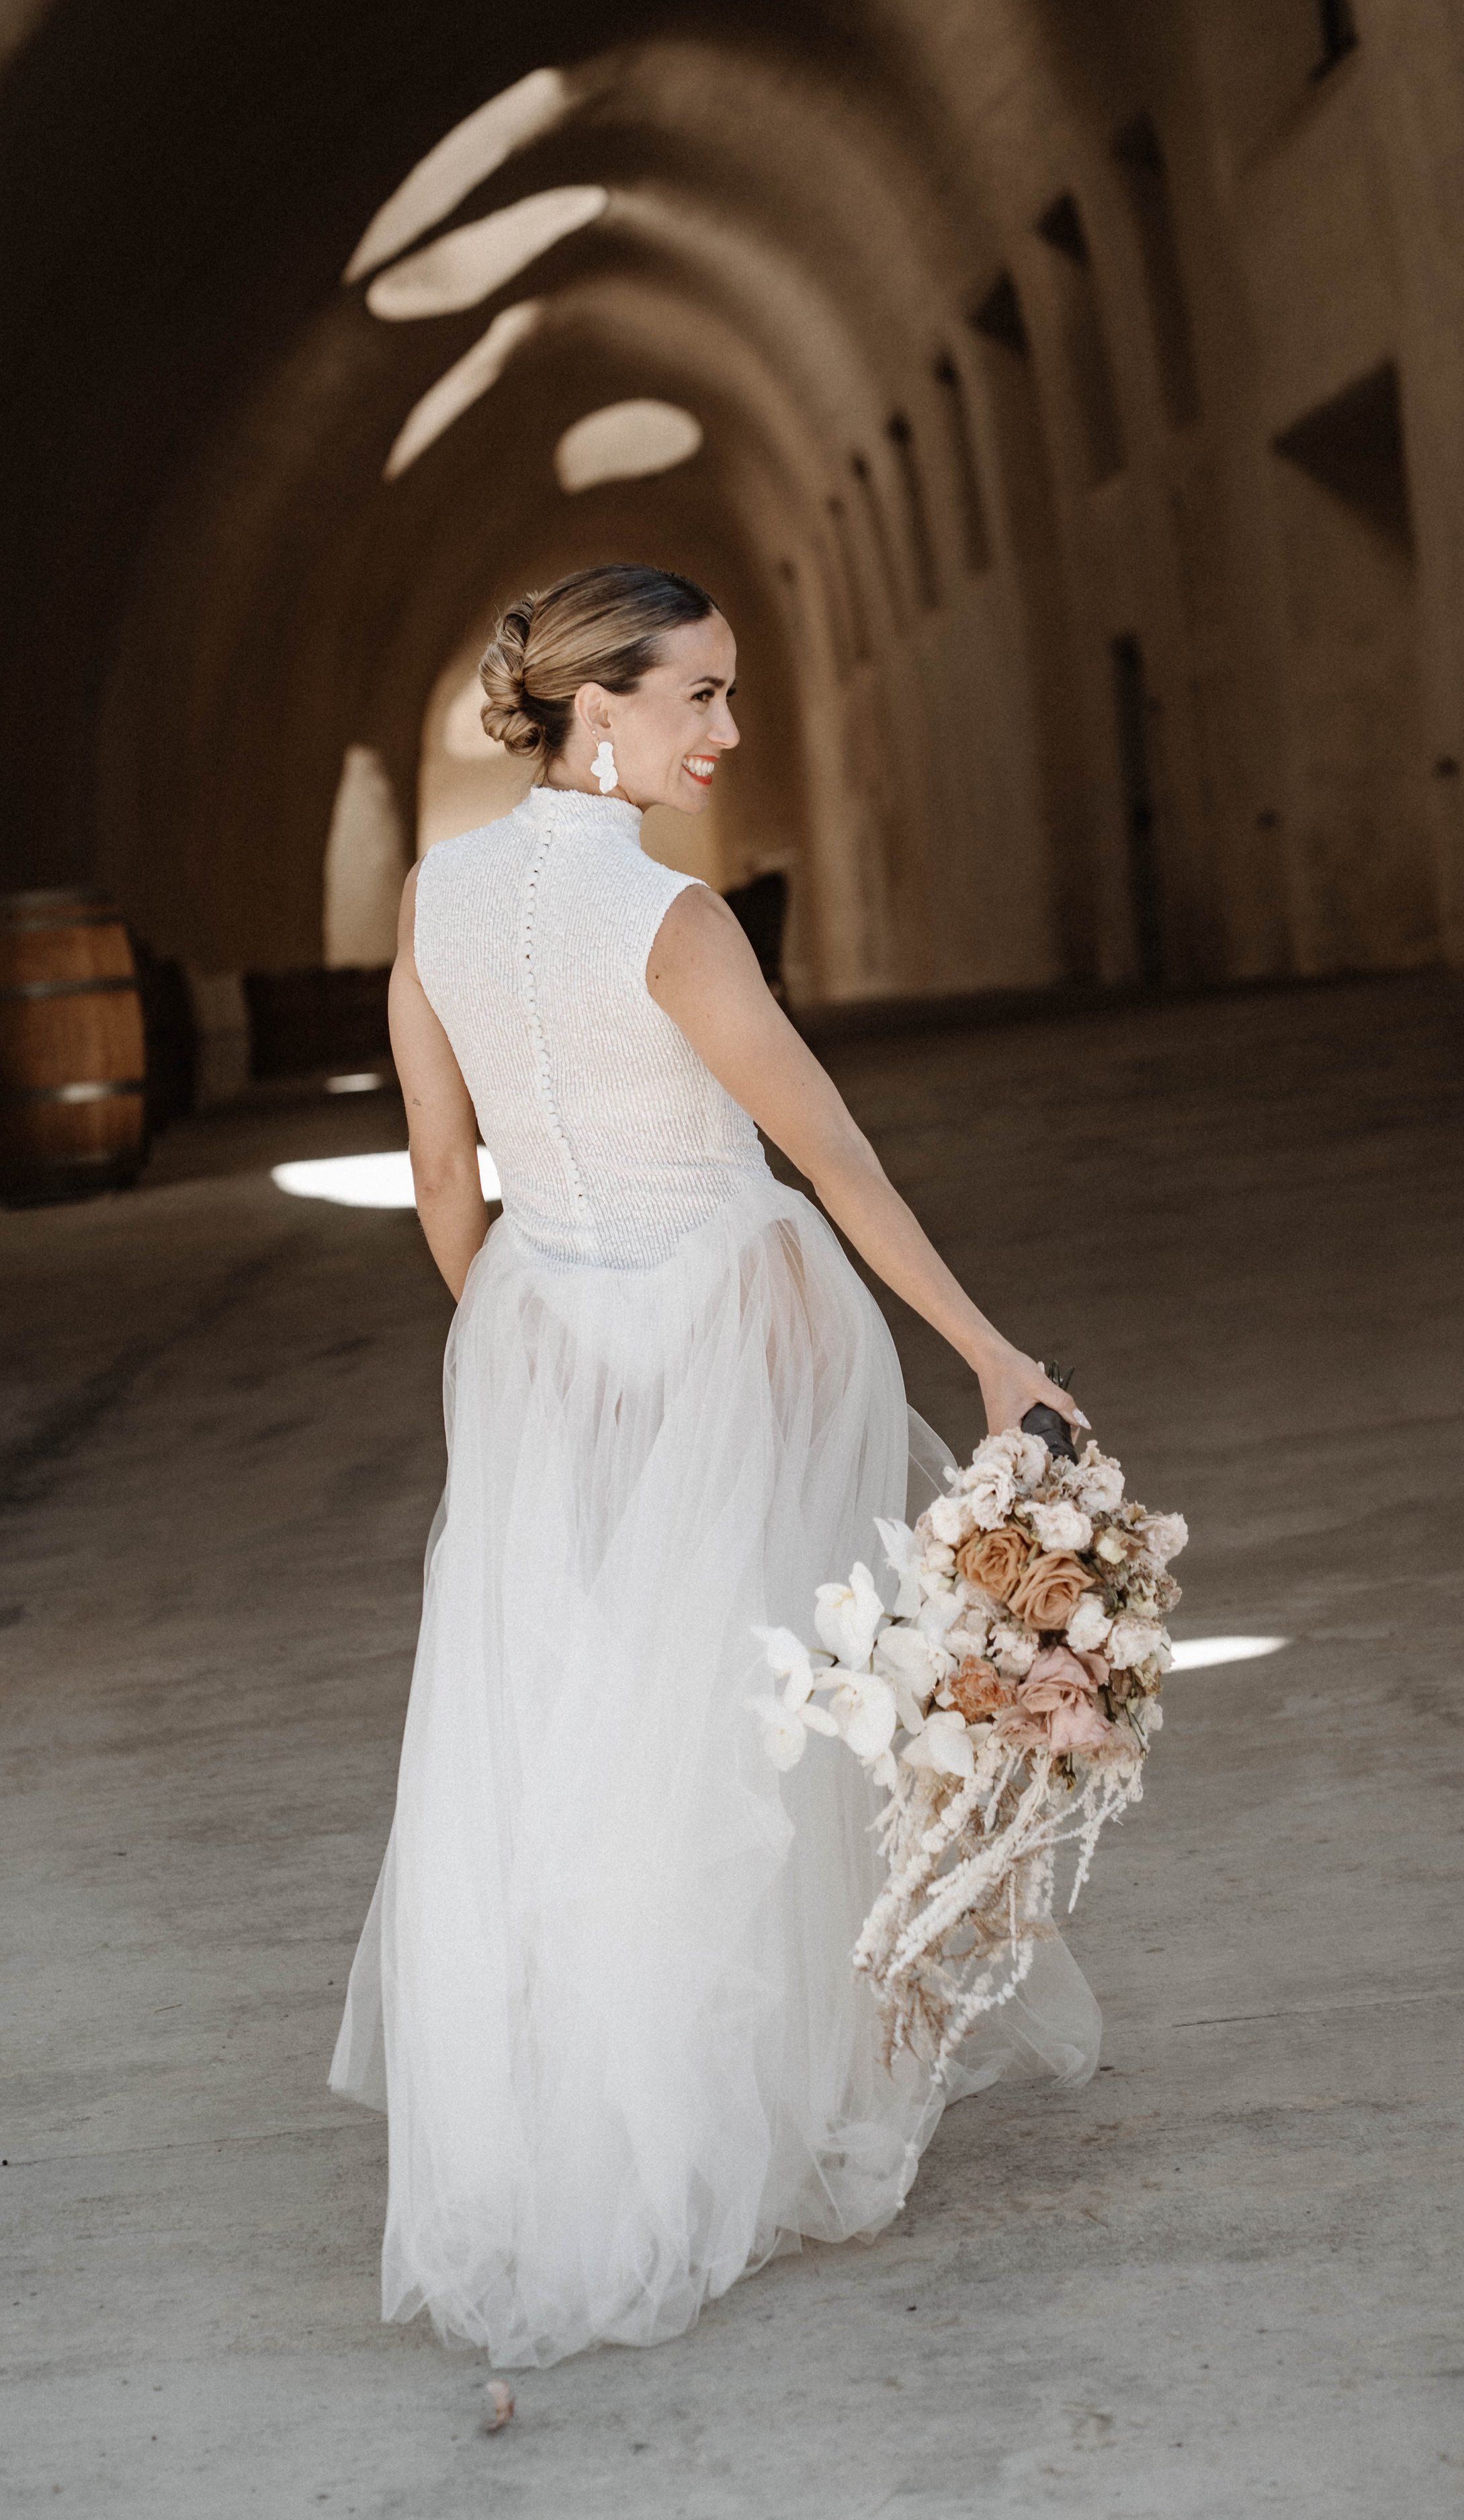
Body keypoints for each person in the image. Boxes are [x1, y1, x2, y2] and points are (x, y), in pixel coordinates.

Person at [330, 563, 1101, 2367]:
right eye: (702, 696)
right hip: (737, 1345)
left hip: (538, 1336)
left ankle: (572, 2142)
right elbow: (834, 1160)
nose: (726, 732)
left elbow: (448, 1181)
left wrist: (528, 1348)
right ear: (599, 706)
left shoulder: (436, 902)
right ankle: (717, 2122)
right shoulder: (670, 922)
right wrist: (987, 1354)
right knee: (747, 1719)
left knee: (566, 1722)